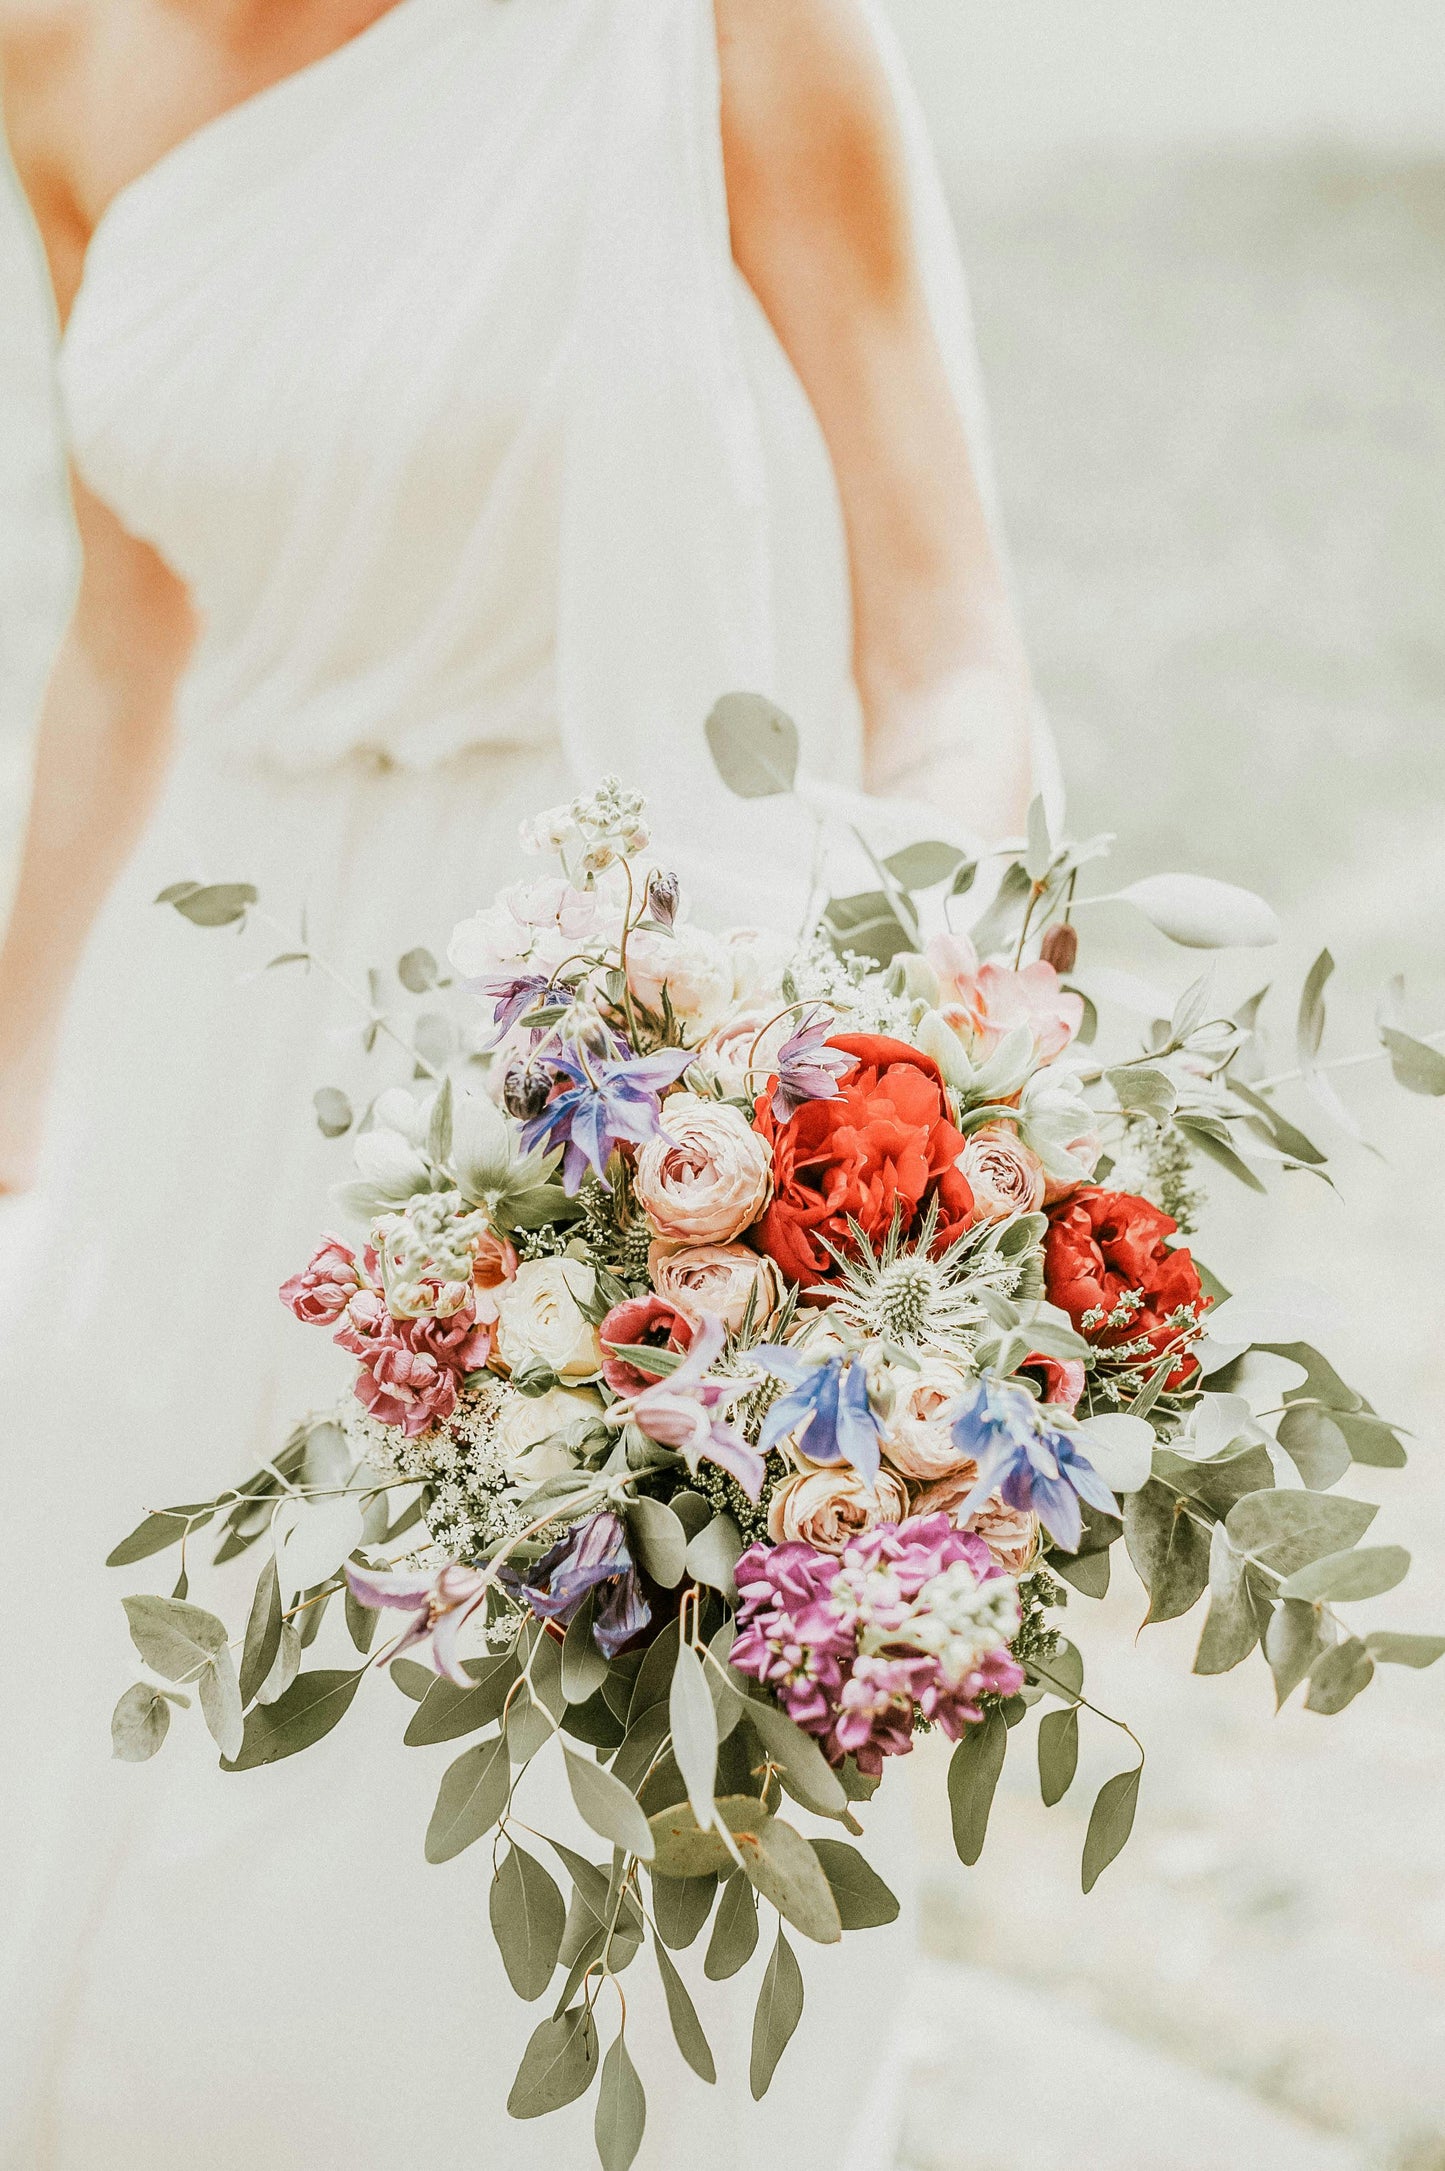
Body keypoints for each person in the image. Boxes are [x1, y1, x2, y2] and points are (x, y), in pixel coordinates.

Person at [0, 1, 1052, 2163]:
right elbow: (130, 639)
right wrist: (8, 1122)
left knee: (505, 1916)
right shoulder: (51, 57)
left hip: (603, 1084)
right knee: (106, 1842)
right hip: (196, 1062)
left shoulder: (719, 27)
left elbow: (949, 656)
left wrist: (863, 1091)